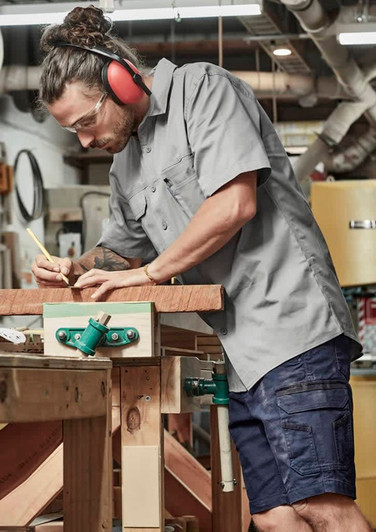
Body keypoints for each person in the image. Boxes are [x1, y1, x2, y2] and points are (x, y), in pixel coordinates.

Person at [32, 6, 371, 532]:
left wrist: (148, 276)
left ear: (120, 81)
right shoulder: (125, 163)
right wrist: (72, 270)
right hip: (236, 353)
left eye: (85, 122)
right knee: (275, 517)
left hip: (289, 328)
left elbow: (235, 205)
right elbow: (120, 251)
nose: (83, 142)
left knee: (321, 507)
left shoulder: (203, 91)